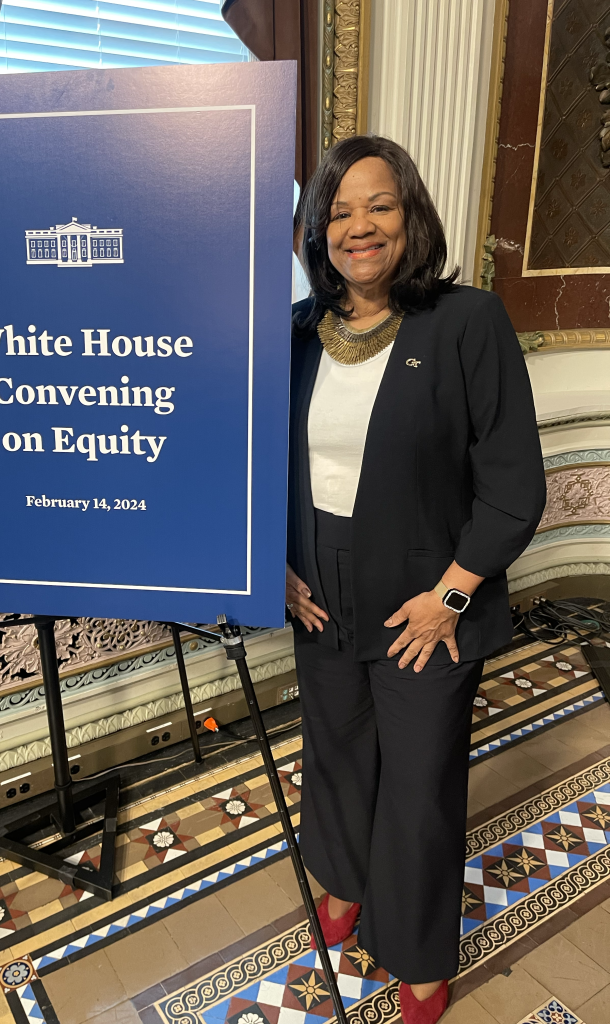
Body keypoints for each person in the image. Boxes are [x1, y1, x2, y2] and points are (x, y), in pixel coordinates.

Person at [286, 135, 545, 1024]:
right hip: (317, 591)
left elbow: (515, 488)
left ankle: (418, 950)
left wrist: (452, 598)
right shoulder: (293, 335)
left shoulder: (467, 322)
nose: (358, 226)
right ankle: (347, 879)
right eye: (338, 210)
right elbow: (257, 465)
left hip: (427, 597)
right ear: (316, 229)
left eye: (379, 206)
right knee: (338, 756)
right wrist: (277, 567)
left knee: (421, 784)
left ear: (411, 217)